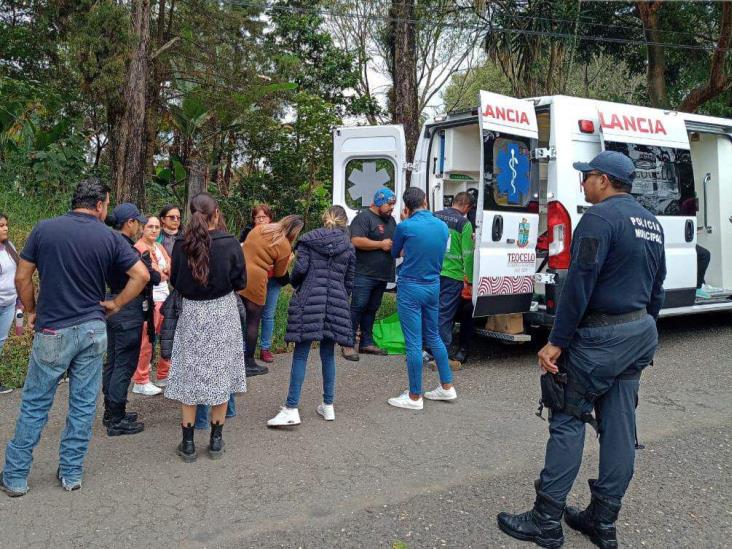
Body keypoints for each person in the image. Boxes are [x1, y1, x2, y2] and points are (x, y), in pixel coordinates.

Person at [497, 151, 666, 549]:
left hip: (600, 338)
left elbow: (579, 284)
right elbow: (658, 285)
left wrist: (556, 341)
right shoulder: (651, 223)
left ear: (604, 180)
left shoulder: (598, 218)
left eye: (586, 176)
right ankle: (602, 521)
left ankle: (545, 520)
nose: (582, 183)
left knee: (568, 415)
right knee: (620, 424)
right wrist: (643, 327)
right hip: (638, 332)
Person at [1, 178, 148, 497]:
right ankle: (71, 472)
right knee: (82, 404)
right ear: (99, 205)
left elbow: (22, 276)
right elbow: (142, 275)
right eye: (106, 205)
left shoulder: (44, 230)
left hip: (53, 329)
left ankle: (15, 476)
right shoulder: (109, 238)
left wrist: (30, 310)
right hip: (93, 329)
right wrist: (117, 303)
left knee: (36, 403)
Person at [165, 192, 247, 462]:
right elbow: (241, 282)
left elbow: (175, 281)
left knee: (190, 375)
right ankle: (216, 440)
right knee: (221, 373)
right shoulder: (231, 243)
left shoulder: (180, 245)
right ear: (217, 212)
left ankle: (187, 444)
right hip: (222, 313)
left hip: (191, 313)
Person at [267, 206, 355, 427]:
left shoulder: (308, 241)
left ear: (324, 219)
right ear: (344, 222)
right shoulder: (349, 246)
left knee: (301, 354)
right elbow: (349, 280)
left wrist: (298, 285)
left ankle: (291, 407)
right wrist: (341, 296)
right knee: (328, 354)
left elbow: (300, 270)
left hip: (309, 300)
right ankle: (328, 405)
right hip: (336, 302)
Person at [387, 187, 457, 410]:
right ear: (426, 201)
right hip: (433, 284)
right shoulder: (442, 226)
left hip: (410, 286)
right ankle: (447, 387)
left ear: (406, 207)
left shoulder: (405, 226)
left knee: (414, 343)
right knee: (434, 336)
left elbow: (394, 252)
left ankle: (415, 396)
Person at [102, 204, 161, 437]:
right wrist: (149, 266)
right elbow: (152, 277)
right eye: (138, 222)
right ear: (129, 223)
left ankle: (112, 411)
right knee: (124, 364)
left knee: (114, 360)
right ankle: (116, 417)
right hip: (126, 307)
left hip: (113, 303)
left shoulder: (108, 243)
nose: (140, 226)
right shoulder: (126, 248)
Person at [242, 215, 304, 377]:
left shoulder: (259, 229)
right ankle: (248, 362)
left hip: (238, 274)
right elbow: (279, 273)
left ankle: (234, 358)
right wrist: (289, 260)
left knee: (239, 319)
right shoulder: (283, 245)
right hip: (256, 279)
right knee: (253, 321)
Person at [342, 188, 397, 362]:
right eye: (389, 204)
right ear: (379, 202)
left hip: (382, 274)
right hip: (363, 273)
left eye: (393, 205)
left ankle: (366, 342)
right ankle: (347, 342)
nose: (391, 208)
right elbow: (356, 240)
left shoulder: (392, 221)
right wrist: (381, 244)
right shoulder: (364, 218)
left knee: (372, 308)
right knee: (358, 307)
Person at [427, 191, 475, 361]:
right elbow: (468, 254)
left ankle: (427, 349)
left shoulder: (434, 216)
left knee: (430, 311)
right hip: (453, 275)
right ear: (466, 207)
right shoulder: (464, 223)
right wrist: (469, 280)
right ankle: (441, 353)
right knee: (445, 315)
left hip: (432, 271)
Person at [131, 216, 171, 395]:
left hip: (164, 297)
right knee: (147, 340)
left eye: (157, 227)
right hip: (150, 298)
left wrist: (164, 272)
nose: (154, 230)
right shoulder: (140, 248)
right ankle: (140, 379)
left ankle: (163, 375)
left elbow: (170, 267)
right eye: (150, 227)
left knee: (165, 339)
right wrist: (162, 272)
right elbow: (155, 275)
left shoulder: (159, 246)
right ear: (142, 228)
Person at [240, 204, 284, 365]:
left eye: (264, 217)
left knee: (268, 314)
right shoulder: (247, 234)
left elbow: (286, 255)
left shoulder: (278, 234)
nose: (261, 220)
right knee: (249, 316)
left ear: (270, 218)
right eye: (258, 217)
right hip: (252, 281)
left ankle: (265, 348)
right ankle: (245, 348)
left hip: (273, 280)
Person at [0, 214, 21, 394]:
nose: (5, 228)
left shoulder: (9, 247)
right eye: (1, 226)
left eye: (6, 225)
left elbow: (17, 275)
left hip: (9, 303)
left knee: (0, 342)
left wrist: (19, 300)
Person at [680, 197, 712, 299]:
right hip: (680, 239)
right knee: (704, 255)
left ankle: (701, 283)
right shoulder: (687, 208)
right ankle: (697, 287)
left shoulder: (684, 206)